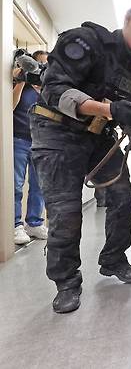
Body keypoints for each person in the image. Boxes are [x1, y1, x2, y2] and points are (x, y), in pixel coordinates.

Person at [30, 3, 131, 313]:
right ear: (128, 20)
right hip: (56, 132)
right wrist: (108, 110)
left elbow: (127, 108)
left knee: (124, 199)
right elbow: (54, 91)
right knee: (66, 213)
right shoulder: (85, 40)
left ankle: (113, 259)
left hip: (97, 136)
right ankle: (66, 282)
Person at [12, 50, 49, 244]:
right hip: (18, 139)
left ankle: (34, 223)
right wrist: (21, 81)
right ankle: (15, 225)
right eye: (39, 63)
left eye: (46, 65)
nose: (42, 68)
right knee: (16, 185)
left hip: (40, 142)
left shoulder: (47, 89)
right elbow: (9, 106)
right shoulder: (22, 84)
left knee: (39, 186)